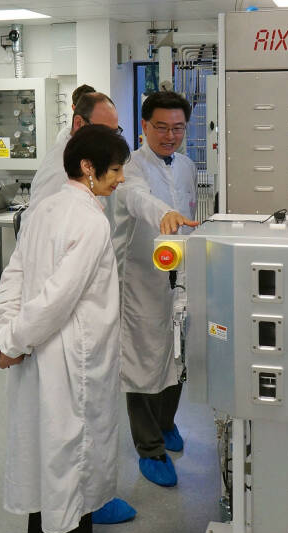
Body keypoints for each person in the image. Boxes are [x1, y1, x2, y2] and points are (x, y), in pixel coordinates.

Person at [0, 125, 131, 533]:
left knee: (47, 456)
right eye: (115, 169)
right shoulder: (90, 222)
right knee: (71, 461)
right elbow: (56, 300)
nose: (120, 178)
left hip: (38, 353)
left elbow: (14, 278)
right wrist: (12, 342)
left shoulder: (42, 208)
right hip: (71, 361)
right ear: (88, 167)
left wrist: (7, 336)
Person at [112, 91, 198, 488]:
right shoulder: (130, 167)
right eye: (161, 127)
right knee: (143, 360)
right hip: (141, 281)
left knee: (178, 352)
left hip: (179, 278)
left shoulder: (187, 166)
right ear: (144, 126)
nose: (170, 136)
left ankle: (166, 423)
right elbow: (137, 199)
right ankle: (149, 447)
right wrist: (166, 214)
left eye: (178, 128)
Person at [25, 91, 120, 224]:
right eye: (104, 132)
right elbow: (39, 224)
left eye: (115, 132)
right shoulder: (60, 169)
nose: (111, 141)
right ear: (79, 123)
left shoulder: (90, 155)